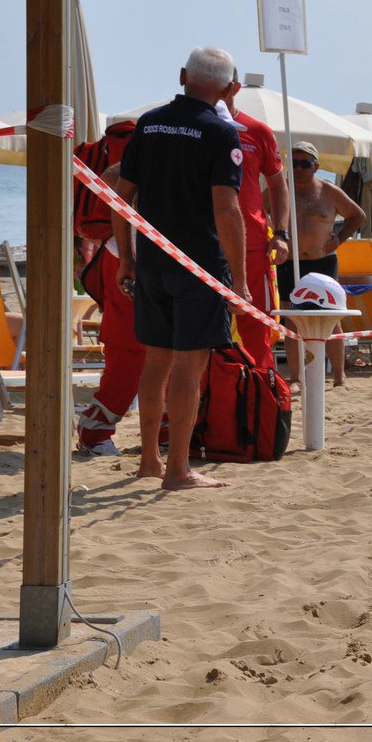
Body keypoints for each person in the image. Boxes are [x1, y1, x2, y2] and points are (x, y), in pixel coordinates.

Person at [111, 47, 247, 491]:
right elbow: (227, 210)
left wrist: (127, 257)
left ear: (183, 75)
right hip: (200, 265)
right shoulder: (220, 132)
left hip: (153, 260)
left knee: (156, 362)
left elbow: (121, 193)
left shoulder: (149, 123)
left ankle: (149, 460)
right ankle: (179, 470)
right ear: (229, 89)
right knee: (190, 368)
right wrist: (240, 284)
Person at [74, 120, 143, 456]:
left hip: (122, 256)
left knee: (137, 350)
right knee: (132, 350)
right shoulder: (170, 145)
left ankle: (161, 429)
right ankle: (95, 429)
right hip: (132, 260)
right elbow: (114, 177)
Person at [278, 140, 367, 387]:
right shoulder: (281, 191)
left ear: (315, 166)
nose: (298, 169)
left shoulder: (328, 191)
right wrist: (274, 238)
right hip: (291, 262)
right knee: (291, 318)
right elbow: (255, 211)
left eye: (304, 164)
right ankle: (296, 377)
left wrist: (339, 238)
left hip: (323, 262)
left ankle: (339, 377)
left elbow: (358, 215)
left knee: (332, 318)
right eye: (293, 164)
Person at [223, 74, 289, 368]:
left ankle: (263, 397)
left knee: (256, 330)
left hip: (251, 246)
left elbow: (278, 184)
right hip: (203, 245)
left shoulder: (256, 131)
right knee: (198, 330)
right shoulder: (192, 128)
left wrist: (282, 233)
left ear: (234, 88)